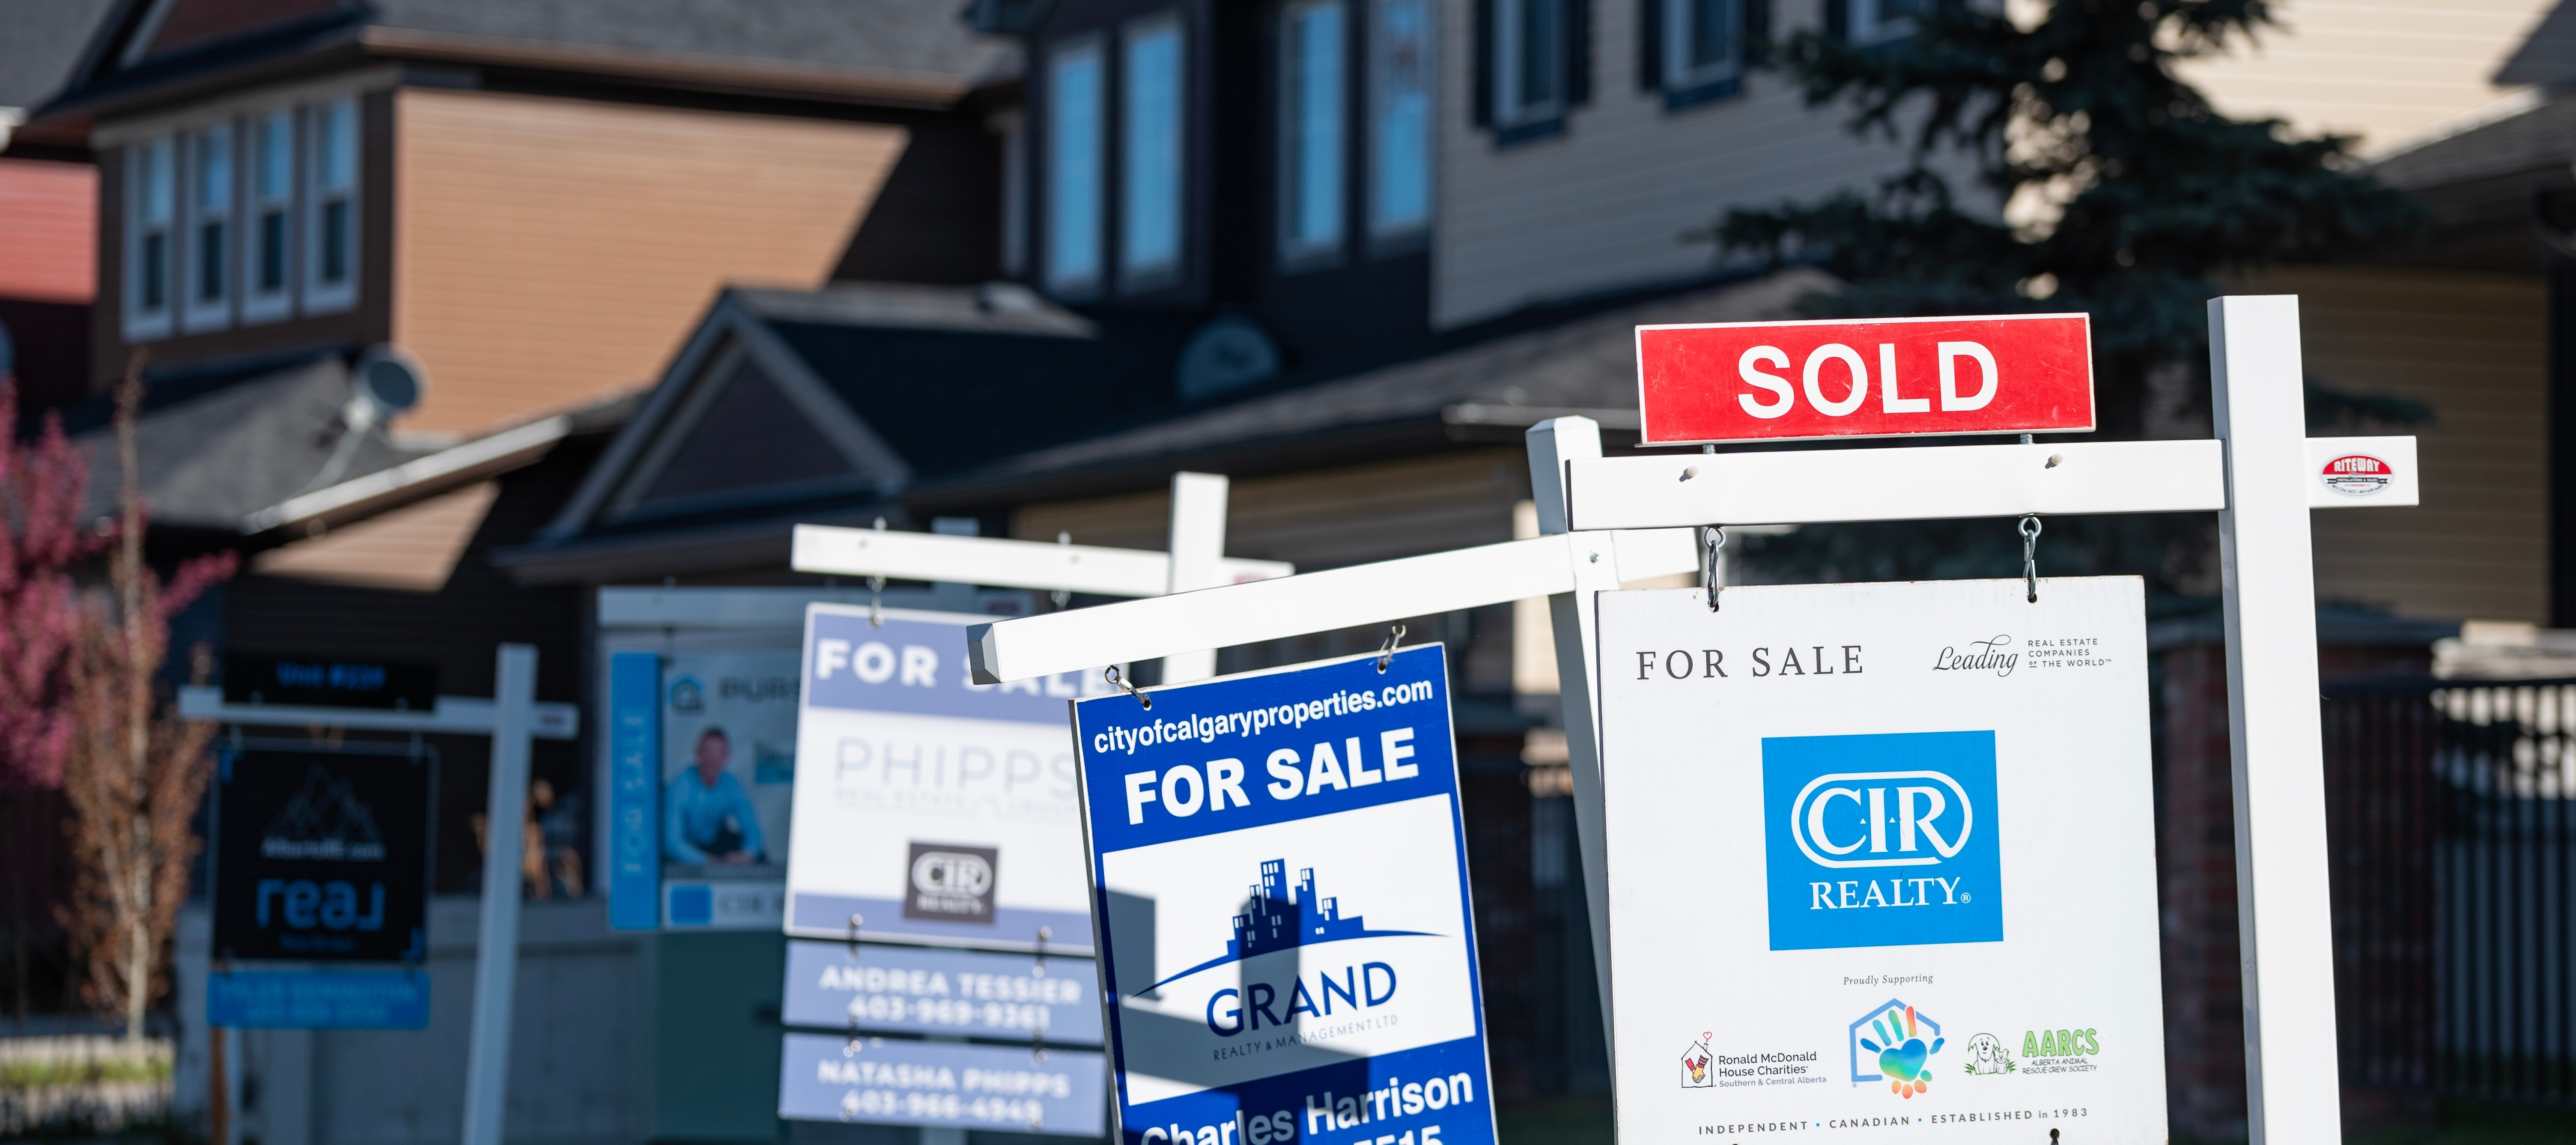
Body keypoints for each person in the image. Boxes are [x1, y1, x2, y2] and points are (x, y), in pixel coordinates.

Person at [664, 728, 765, 865]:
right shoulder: (679, 786)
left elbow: (753, 830)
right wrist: (706, 861)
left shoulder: (732, 785)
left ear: (727, 757)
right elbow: (672, 842)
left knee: (759, 855)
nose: (712, 760)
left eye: (718, 754)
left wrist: (746, 854)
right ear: (698, 754)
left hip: (715, 841)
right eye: (708, 753)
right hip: (688, 844)